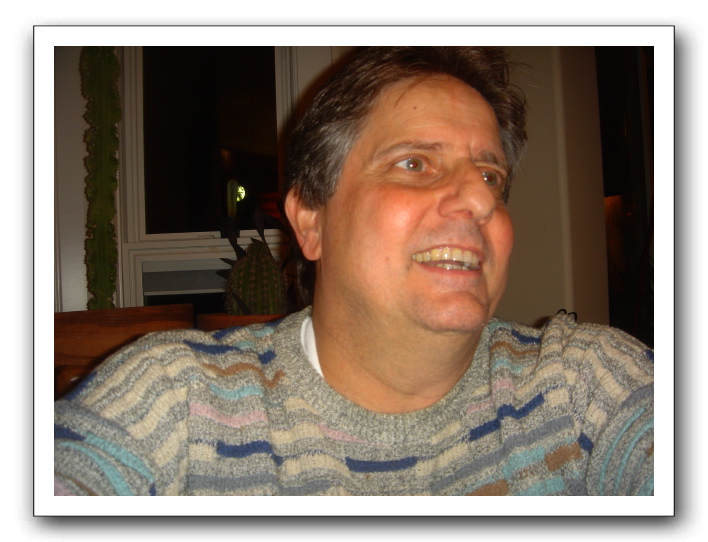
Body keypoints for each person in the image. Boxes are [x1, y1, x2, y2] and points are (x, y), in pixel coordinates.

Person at [54, 46, 654, 496]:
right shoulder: (176, 402)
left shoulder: (583, 383)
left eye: (490, 175)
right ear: (311, 222)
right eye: (414, 163)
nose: (479, 199)